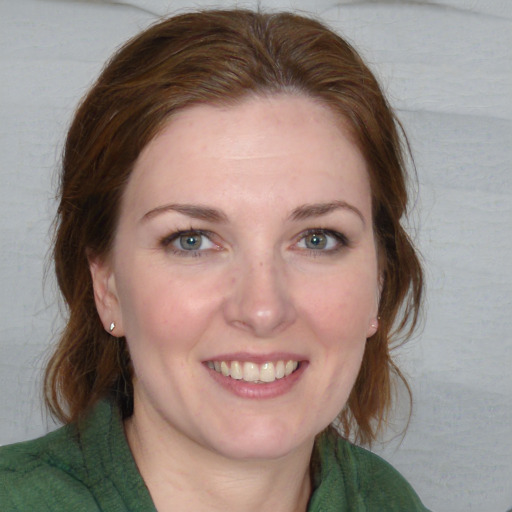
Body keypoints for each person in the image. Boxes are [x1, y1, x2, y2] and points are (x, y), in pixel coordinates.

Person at [0, 9, 428, 511]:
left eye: (317, 239)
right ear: (107, 284)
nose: (263, 309)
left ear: (379, 277)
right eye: (192, 241)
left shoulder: (387, 502)